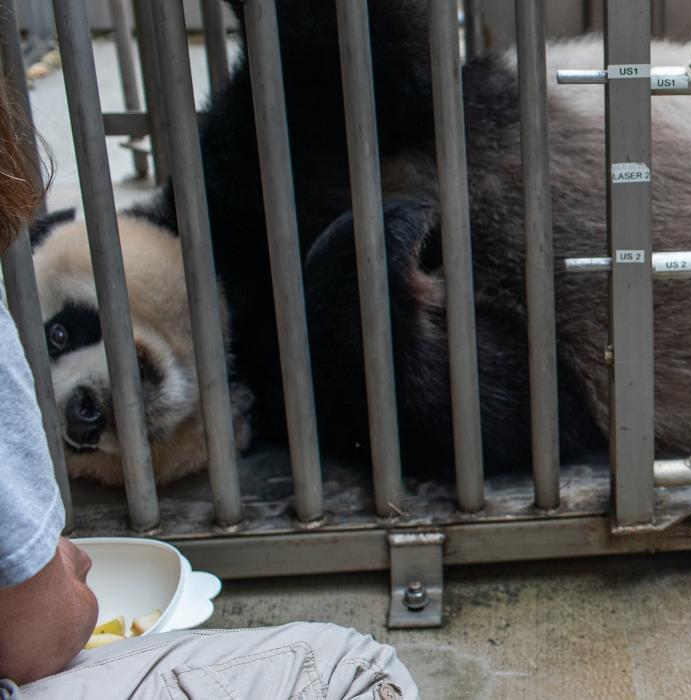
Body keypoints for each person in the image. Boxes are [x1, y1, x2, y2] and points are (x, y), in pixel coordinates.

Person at [0, 88, 419, 700]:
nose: (78, 419)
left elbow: (339, 65)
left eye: (59, 336)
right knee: (356, 673)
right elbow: (32, 637)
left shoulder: (216, 204)